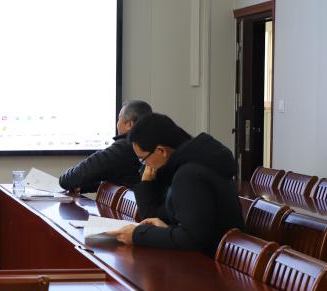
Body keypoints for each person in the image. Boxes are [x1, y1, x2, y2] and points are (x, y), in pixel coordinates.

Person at [107, 113, 243, 255]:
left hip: (215, 262)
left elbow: (193, 239)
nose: (145, 165)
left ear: (161, 151)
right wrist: (147, 184)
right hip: (216, 256)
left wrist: (137, 235)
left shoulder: (189, 176)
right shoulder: (189, 163)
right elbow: (158, 216)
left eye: (143, 159)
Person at [58, 100, 153, 193]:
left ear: (129, 124)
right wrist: (83, 186)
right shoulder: (149, 146)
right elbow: (122, 179)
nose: (117, 124)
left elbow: (70, 178)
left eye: (119, 119)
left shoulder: (123, 147)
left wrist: (68, 180)